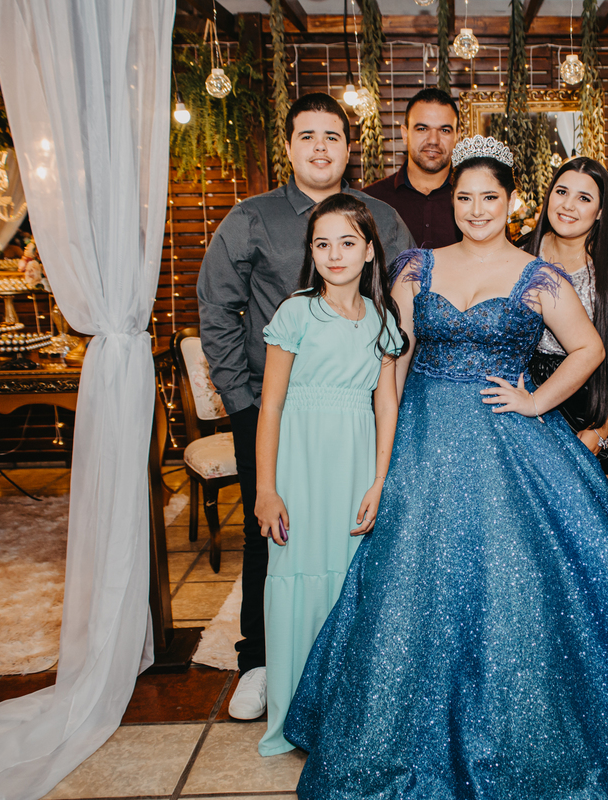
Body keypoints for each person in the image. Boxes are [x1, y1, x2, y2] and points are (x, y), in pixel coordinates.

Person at [281, 136, 608, 799]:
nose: (476, 209)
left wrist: (536, 400)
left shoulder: (539, 277)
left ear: (512, 202)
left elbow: (590, 348)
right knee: (410, 584)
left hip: (509, 443)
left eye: (490, 197)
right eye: (465, 198)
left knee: (523, 581)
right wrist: (382, 467)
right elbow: (391, 372)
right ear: (452, 202)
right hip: (424, 443)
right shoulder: (416, 269)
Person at [197, 92, 413, 721]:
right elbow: (218, 308)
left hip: (355, 408)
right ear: (288, 147)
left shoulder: (382, 218)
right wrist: (241, 399)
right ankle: (261, 661)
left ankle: (352, 664)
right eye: (307, 136)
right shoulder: (251, 217)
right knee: (270, 530)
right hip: (270, 406)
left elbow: (403, 302)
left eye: (332, 136)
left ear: (349, 148)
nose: (320, 147)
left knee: (354, 534)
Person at [253, 194, 403, 755]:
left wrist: (380, 481)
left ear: (369, 252)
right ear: (311, 253)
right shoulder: (296, 313)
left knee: (349, 583)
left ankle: (345, 719)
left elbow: (386, 405)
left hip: (356, 464)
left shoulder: (382, 321)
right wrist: (266, 489)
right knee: (298, 574)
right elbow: (270, 406)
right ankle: (293, 716)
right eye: (322, 244)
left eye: (347, 242)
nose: (334, 254)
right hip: (301, 465)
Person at [522, 156, 608, 484]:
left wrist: (602, 429)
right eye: (561, 192)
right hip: (528, 400)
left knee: (590, 512)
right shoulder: (522, 253)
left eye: (583, 198)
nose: (568, 205)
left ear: (600, 211)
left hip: (592, 403)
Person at [363, 88, 461, 249]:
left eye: (444, 130)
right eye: (422, 129)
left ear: (457, 136)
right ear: (405, 134)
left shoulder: (473, 202)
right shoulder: (371, 201)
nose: (433, 140)